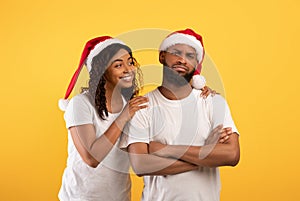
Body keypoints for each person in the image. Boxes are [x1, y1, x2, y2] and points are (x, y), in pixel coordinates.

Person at [121, 28, 240, 201]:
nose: (182, 60)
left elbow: (231, 154)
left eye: (190, 56)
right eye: (176, 52)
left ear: (196, 63)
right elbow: (141, 164)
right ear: (162, 56)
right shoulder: (142, 106)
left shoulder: (213, 102)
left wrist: (165, 149)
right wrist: (206, 154)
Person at [57, 36, 149, 201]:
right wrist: (124, 116)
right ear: (101, 72)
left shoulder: (126, 104)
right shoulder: (80, 104)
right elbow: (91, 158)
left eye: (130, 62)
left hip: (119, 197)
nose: (128, 69)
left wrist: (198, 90)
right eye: (118, 65)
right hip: (82, 197)